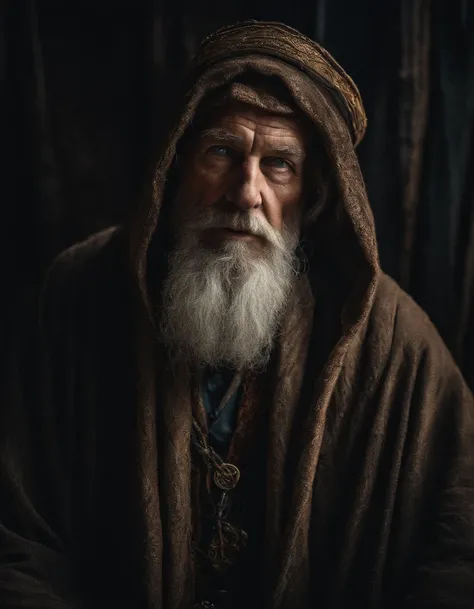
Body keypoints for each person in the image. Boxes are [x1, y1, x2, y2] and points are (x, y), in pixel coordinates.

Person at [0, 20, 473, 609]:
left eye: (280, 165)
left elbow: (459, 554)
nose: (246, 192)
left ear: (315, 193)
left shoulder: (395, 345)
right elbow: (16, 542)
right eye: (222, 152)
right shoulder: (72, 298)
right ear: (175, 165)